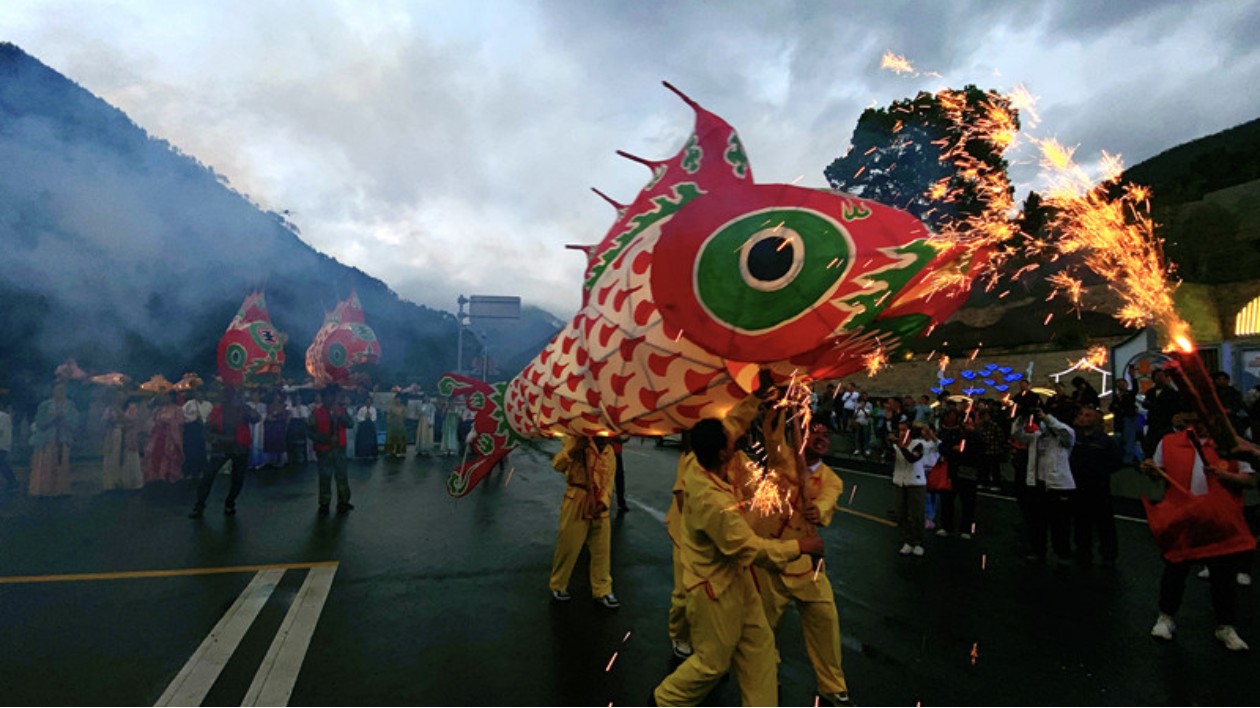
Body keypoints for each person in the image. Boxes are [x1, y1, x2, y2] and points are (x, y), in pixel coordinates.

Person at [653, 394, 823, 707]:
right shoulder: (712, 503)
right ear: (722, 453)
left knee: (759, 646)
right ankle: (664, 700)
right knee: (712, 664)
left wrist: (761, 393)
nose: (739, 440)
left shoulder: (697, 461)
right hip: (713, 591)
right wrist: (801, 546)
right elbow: (751, 549)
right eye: (732, 443)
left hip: (738, 583)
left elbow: (734, 423)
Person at [752, 420, 852, 707]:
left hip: (806, 565)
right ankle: (767, 672)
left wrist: (816, 509)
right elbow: (771, 434)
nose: (821, 438)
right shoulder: (782, 459)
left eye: (826, 435)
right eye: (815, 432)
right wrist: (778, 405)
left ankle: (833, 687)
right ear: (801, 436)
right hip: (770, 559)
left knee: (826, 621)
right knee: (763, 627)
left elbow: (826, 505)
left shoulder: (832, 480)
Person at [1144, 414, 1256, 651]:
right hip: (1182, 519)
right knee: (1175, 571)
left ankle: (1225, 626)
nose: (1205, 422)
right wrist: (1151, 469)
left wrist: (1225, 476)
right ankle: (1166, 618)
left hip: (1220, 520)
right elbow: (1158, 471)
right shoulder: (1169, 442)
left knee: (1223, 578)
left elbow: (1250, 480)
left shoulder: (1231, 446)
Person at [548, 435, 618, 607]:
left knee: (602, 549)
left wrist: (604, 502)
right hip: (576, 499)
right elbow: (557, 465)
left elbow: (610, 480)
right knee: (569, 545)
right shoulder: (576, 441)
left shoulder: (609, 452)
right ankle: (558, 584)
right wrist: (573, 450)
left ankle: (603, 590)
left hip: (600, 504)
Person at [1013, 402, 1077, 564]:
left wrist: (1047, 417)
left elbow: (1064, 431)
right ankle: (1038, 551)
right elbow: (1016, 434)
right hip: (1038, 484)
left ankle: (1063, 554)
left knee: (1060, 524)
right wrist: (1022, 417)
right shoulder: (1037, 437)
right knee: (1037, 522)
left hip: (1059, 486)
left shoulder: (1064, 439)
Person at [190, 386, 260, 517]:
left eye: (230, 396)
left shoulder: (242, 410)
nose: (226, 398)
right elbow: (207, 429)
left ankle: (230, 502)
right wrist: (211, 437)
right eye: (225, 396)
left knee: (237, 478)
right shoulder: (217, 411)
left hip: (240, 448)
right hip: (221, 447)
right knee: (208, 475)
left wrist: (246, 408)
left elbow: (256, 418)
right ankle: (199, 504)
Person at [1071, 406, 1123, 565]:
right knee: (1081, 521)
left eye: (1087, 415)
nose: (1082, 418)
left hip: (1098, 486)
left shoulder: (1105, 441)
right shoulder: (1075, 438)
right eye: (1081, 414)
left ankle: (1108, 554)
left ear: (1096, 420)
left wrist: (1099, 472)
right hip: (1079, 485)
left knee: (1104, 522)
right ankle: (1083, 551)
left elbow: (1115, 462)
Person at [309, 387, 355, 514]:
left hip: (339, 449)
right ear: (323, 399)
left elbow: (350, 424)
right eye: (328, 397)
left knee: (342, 476)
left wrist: (341, 415)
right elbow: (310, 432)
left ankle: (343, 501)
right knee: (325, 477)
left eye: (333, 396)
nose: (331, 399)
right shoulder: (316, 413)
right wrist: (324, 439)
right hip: (324, 450)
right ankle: (324, 502)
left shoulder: (341, 411)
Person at [29, 382, 79, 497]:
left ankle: (60, 489)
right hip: (47, 441)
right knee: (46, 466)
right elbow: (40, 423)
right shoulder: (45, 405)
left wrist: (64, 419)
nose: (60, 392)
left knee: (61, 465)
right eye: (58, 390)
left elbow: (75, 423)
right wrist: (53, 418)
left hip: (63, 439)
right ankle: (44, 489)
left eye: (63, 390)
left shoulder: (70, 405)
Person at [890, 420, 929, 556]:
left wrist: (900, 446)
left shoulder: (918, 445)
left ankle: (918, 542)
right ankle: (907, 541)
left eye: (904, 430)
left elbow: (912, 459)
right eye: (899, 430)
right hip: (900, 482)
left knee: (916, 514)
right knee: (901, 513)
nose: (901, 433)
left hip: (915, 483)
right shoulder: (896, 446)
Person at [102, 395, 144, 490]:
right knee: (112, 457)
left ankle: (130, 482)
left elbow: (134, 420)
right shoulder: (110, 409)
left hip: (128, 437)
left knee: (130, 458)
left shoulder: (132, 407)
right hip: (114, 436)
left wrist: (121, 417)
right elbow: (104, 421)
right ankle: (113, 482)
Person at [1142, 368, 1184, 460]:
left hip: (1166, 422)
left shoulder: (1172, 393)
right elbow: (1145, 403)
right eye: (1157, 376)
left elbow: (1175, 407)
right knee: (1151, 444)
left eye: (1162, 376)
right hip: (1153, 422)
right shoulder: (1150, 392)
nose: (1159, 378)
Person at [143, 392, 185, 484]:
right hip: (157, 436)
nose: (163, 397)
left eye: (165, 395)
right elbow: (151, 422)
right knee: (155, 455)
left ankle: (169, 476)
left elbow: (180, 424)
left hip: (170, 437)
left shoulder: (177, 409)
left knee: (169, 456)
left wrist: (168, 423)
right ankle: (155, 476)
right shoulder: (158, 409)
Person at [1108, 378, 1141, 465]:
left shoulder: (1130, 394)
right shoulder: (1117, 397)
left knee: (1129, 440)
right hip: (1119, 421)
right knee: (1120, 439)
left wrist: (1133, 377)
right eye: (1119, 384)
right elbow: (1111, 408)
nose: (1121, 385)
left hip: (1129, 419)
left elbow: (1135, 390)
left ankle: (1128, 460)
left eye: (1123, 383)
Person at [384, 394, 407, 458]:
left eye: (399, 399)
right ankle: (390, 451)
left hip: (400, 425)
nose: (398, 400)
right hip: (392, 425)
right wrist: (391, 417)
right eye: (396, 399)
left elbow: (405, 415)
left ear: (401, 400)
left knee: (400, 438)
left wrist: (400, 416)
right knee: (390, 438)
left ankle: (399, 451)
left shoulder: (403, 407)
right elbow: (388, 416)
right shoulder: (391, 407)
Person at [0, 400, 16, 491]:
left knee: (1, 463)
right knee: (2, 463)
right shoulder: (4, 416)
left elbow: (1, 431)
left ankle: (12, 481)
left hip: (1, 444)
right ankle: (11, 481)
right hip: (3, 443)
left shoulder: (2, 416)